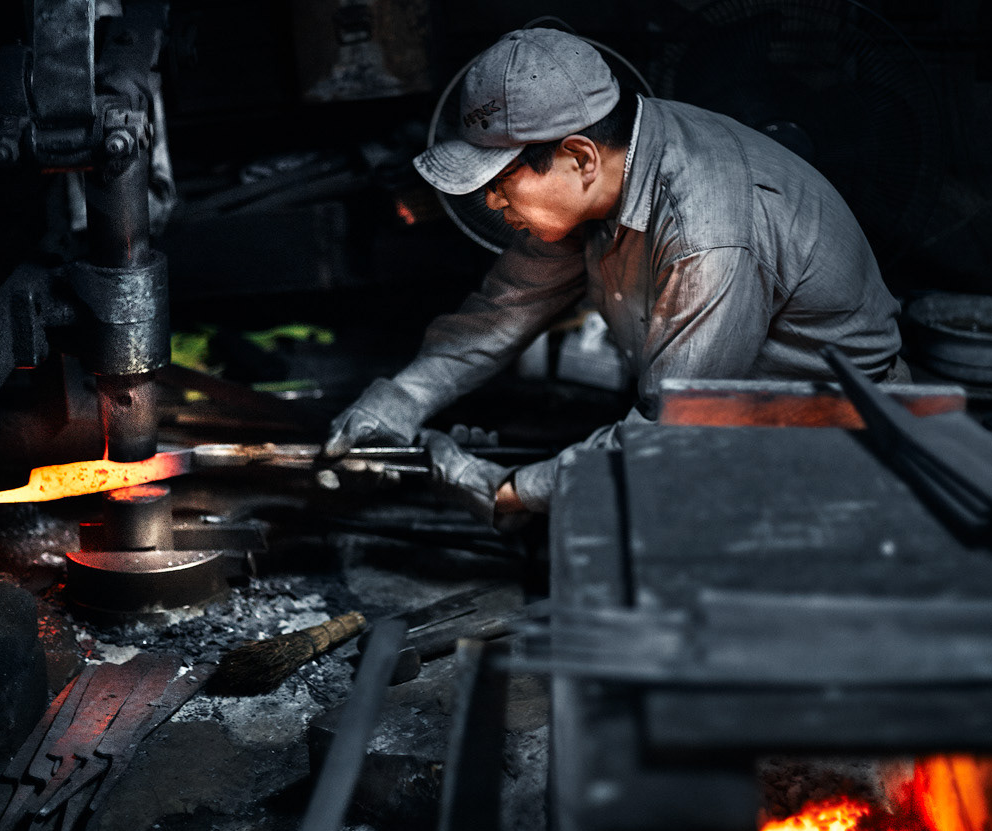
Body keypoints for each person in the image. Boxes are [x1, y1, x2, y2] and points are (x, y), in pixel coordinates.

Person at [324, 27, 905, 526]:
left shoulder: (707, 234)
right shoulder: (609, 174)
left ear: (579, 157)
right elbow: (504, 309)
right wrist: (395, 404)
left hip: (832, 448)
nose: (492, 201)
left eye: (500, 181)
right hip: (728, 429)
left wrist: (506, 492)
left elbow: (669, 431)